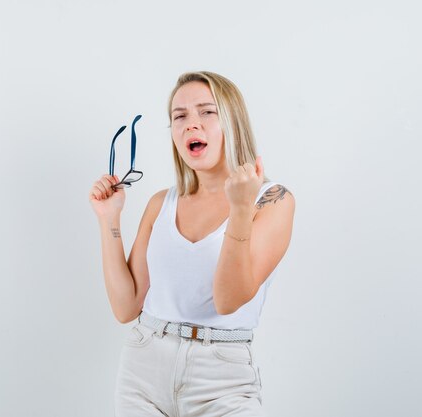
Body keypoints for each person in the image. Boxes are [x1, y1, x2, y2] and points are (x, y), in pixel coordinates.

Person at [89, 71, 295, 417]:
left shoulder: (272, 201)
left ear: (233, 122)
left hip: (221, 379)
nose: (190, 125)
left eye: (207, 112)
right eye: (179, 116)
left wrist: (241, 208)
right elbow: (126, 308)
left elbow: (229, 299)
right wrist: (109, 220)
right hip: (144, 370)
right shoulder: (161, 203)